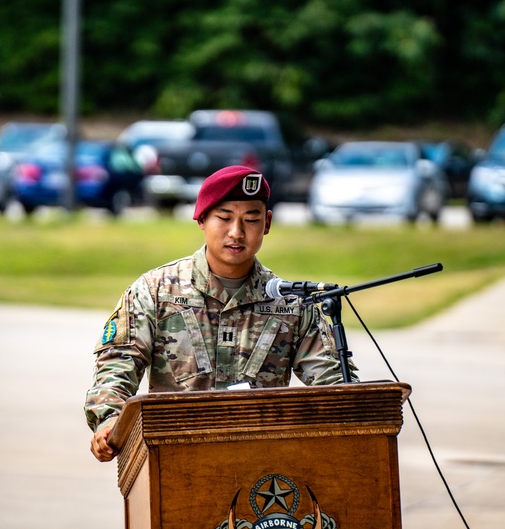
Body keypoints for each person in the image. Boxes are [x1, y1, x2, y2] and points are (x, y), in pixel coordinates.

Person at [84, 165, 358, 462]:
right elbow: (118, 364)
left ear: (267, 223)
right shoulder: (156, 291)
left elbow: (333, 381)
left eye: (251, 219)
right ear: (201, 218)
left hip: (265, 466)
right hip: (174, 459)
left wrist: (357, 411)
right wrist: (109, 420)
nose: (237, 232)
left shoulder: (289, 304)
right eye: (224, 218)